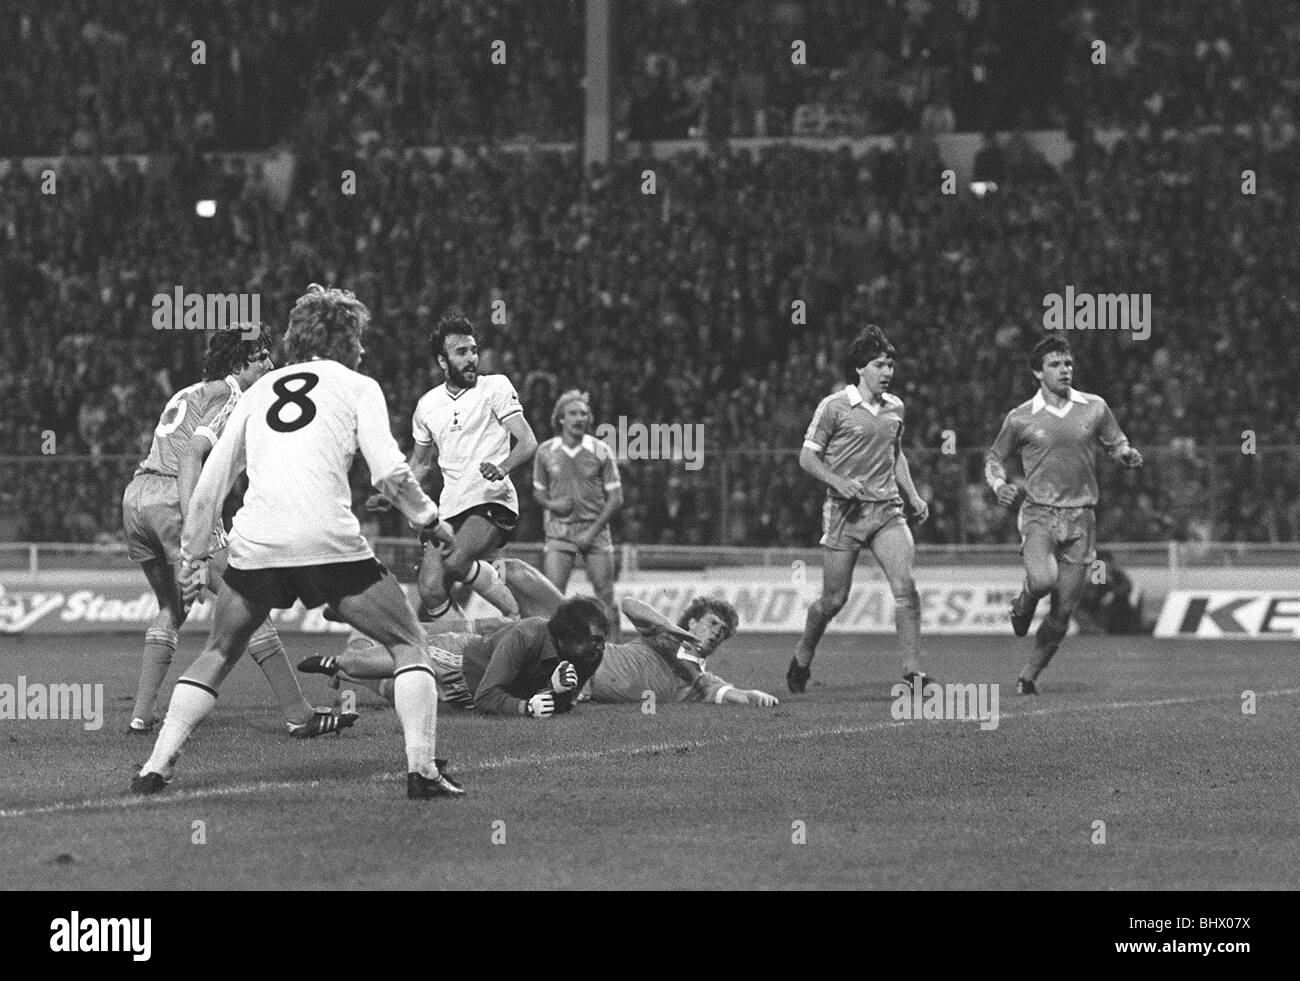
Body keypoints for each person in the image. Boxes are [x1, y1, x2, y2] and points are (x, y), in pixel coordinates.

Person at [131, 284, 463, 800]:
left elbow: (211, 482)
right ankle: (421, 771)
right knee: (408, 643)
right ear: (344, 338)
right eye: (358, 336)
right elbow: (390, 474)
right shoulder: (358, 385)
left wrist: (193, 556)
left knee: (218, 651)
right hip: (327, 542)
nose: (363, 348)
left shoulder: (258, 392)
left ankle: (155, 767)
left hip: (256, 544)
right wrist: (430, 519)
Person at [121, 326, 350, 738]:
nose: (270, 364)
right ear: (238, 364)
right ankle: (299, 714)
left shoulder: (189, 392)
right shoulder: (233, 395)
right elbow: (193, 453)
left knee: (173, 607)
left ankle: (140, 714)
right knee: (247, 600)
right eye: (261, 356)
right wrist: (196, 525)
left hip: (137, 499)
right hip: (176, 499)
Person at [305, 573, 778, 710]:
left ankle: (348, 665)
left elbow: (726, 694)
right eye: (709, 624)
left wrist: (753, 696)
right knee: (434, 648)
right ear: (693, 620)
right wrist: (675, 633)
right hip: (555, 649)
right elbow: (631, 605)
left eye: (721, 632)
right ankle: (362, 621)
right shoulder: (662, 641)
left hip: (551, 675)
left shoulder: (697, 677)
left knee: (423, 682)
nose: (713, 635)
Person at [984, 336, 1144, 694]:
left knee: (1061, 613)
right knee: (1042, 580)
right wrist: (998, 486)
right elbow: (994, 458)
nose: (1065, 370)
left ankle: (1029, 675)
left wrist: (1125, 455)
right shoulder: (1020, 417)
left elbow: (1116, 443)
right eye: (1055, 364)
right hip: (1040, 512)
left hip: (1082, 518)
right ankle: (1022, 604)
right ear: (1038, 372)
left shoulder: (1095, 408)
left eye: (1068, 364)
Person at [787, 326, 935, 695]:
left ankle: (912, 672)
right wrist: (837, 482)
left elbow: (895, 452)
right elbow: (807, 457)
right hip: (845, 514)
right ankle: (804, 652)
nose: (888, 372)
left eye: (890, 365)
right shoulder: (834, 406)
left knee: (905, 587)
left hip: (887, 510)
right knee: (834, 600)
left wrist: (913, 497)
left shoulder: (895, 407)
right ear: (860, 369)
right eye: (880, 365)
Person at [370, 314, 537, 622]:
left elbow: (527, 441)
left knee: (457, 561)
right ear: (442, 361)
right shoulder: (428, 405)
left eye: (473, 350)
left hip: (491, 499)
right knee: (430, 589)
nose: (471, 358)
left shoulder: (496, 387)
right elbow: (420, 462)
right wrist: (392, 495)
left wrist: (502, 467)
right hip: (448, 509)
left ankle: (515, 613)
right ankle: (465, 649)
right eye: (461, 352)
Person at [532, 389, 623, 635]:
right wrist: (552, 506)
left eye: (584, 413)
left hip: (595, 530)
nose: (579, 418)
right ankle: (551, 651)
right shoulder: (545, 451)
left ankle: (615, 652)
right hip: (560, 532)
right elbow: (538, 492)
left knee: (605, 593)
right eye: (573, 413)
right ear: (561, 418)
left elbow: (616, 498)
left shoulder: (601, 449)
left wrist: (592, 532)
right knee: (552, 595)